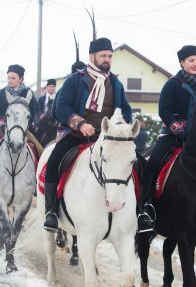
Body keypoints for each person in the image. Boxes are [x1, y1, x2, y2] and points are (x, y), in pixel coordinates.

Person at [43, 37, 133, 232]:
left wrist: (120, 126)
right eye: (103, 55)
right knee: (54, 161)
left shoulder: (116, 83)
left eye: (110, 55)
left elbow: (125, 110)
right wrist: (80, 123)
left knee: (135, 163)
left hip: (107, 138)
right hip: (77, 135)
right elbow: (62, 106)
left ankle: (140, 210)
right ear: (92, 56)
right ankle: (51, 211)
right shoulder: (75, 80)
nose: (107, 59)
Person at [138, 45, 196, 231]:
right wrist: (176, 128)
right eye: (191, 60)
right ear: (182, 62)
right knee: (153, 163)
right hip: (172, 135)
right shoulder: (172, 84)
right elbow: (163, 110)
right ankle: (145, 206)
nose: (195, 64)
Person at [0, 64, 43, 161]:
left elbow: (34, 111)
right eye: (9, 77)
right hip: (2, 129)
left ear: (21, 79)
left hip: (23, 129)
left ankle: (39, 174)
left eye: (13, 78)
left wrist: (25, 125)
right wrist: (1, 124)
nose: (10, 80)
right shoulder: (1, 93)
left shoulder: (28, 93)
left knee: (41, 152)